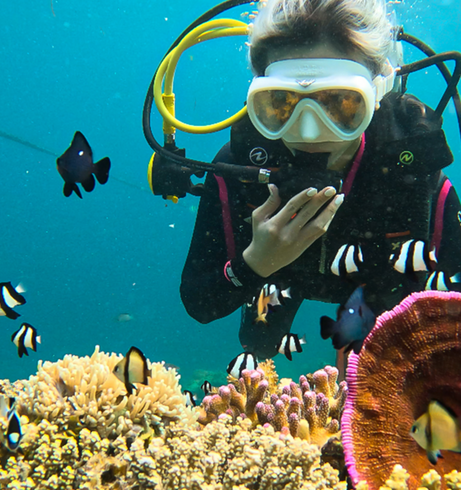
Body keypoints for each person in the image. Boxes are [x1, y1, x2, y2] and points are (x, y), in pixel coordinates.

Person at [180, 0, 461, 359]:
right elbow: (199, 302)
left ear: (379, 91)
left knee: (384, 358)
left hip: (377, 290)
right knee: (258, 347)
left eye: (341, 104)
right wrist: (255, 264)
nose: (309, 130)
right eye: (281, 104)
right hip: (277, 281)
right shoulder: (239, 168)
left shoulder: (413, 173)